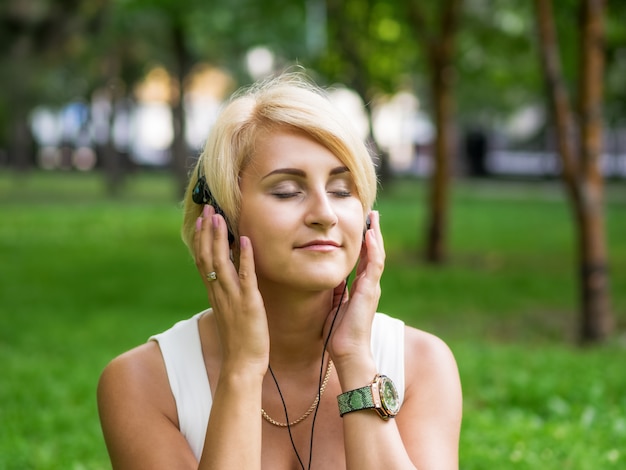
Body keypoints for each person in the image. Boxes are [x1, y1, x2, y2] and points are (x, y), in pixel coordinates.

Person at [97, 72, 462, 470]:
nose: (325, 214)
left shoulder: (422, 363)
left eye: (342, 190)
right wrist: (241, 369)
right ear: (223, 220)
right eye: (287, 191)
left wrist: (355, 360)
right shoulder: (140, 382)